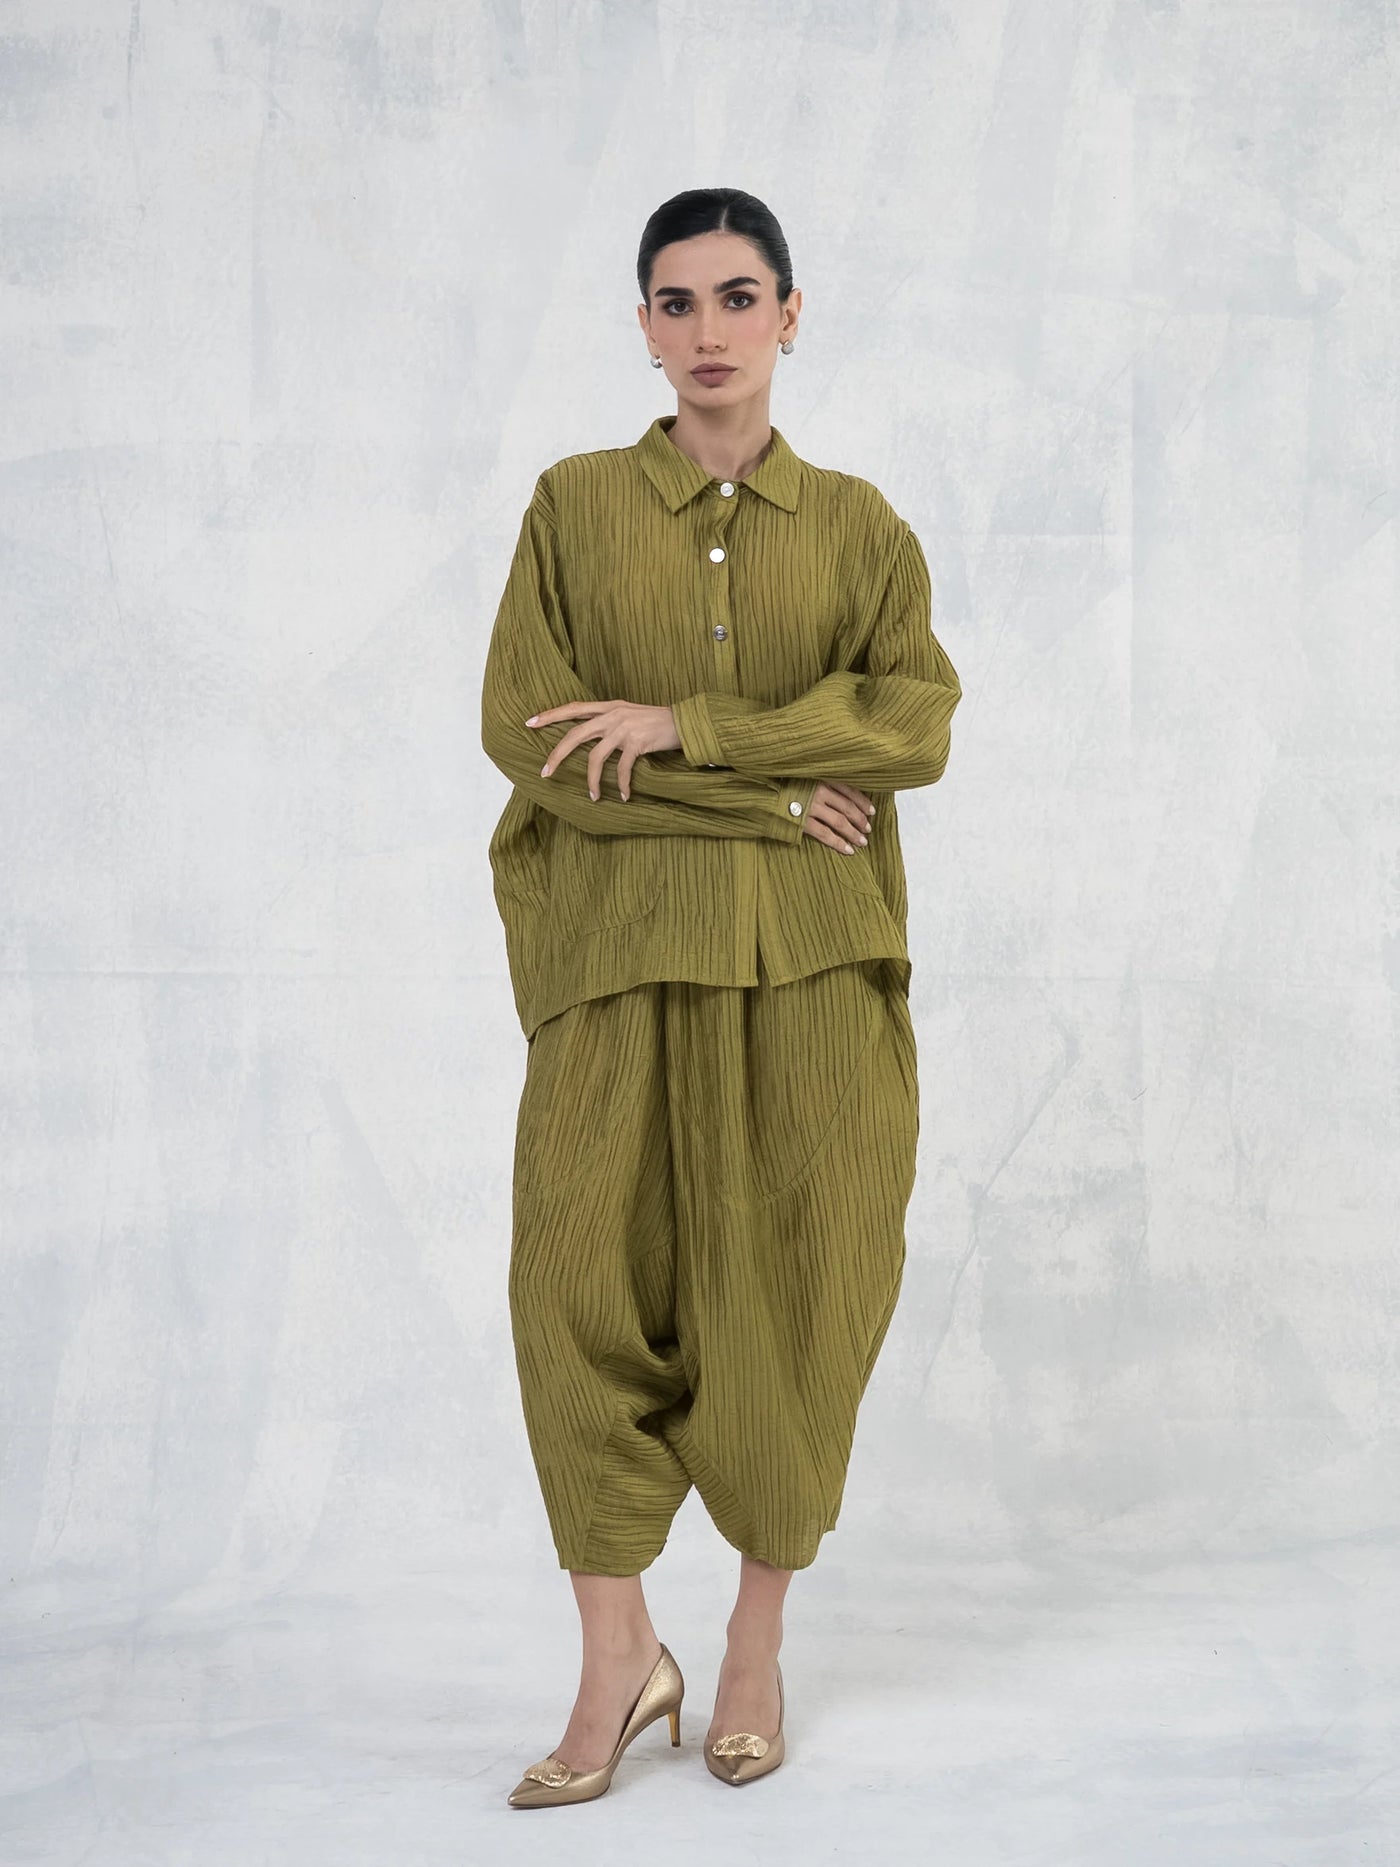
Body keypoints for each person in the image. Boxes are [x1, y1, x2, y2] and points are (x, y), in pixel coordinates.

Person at [480, 187, 961, 1806]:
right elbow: (529, 736)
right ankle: (620, 1655)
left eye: (738, 297)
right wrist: (768, 796)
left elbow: (913, 728)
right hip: (613, 963)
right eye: (676, 303)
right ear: (643, 327)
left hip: (815, 975)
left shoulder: (863, 530)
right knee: (572, 1296)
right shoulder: (571, 507)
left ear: (790, 315)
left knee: (798, 1294)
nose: (708, 332)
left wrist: (694, 727)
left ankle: (752, 1646)